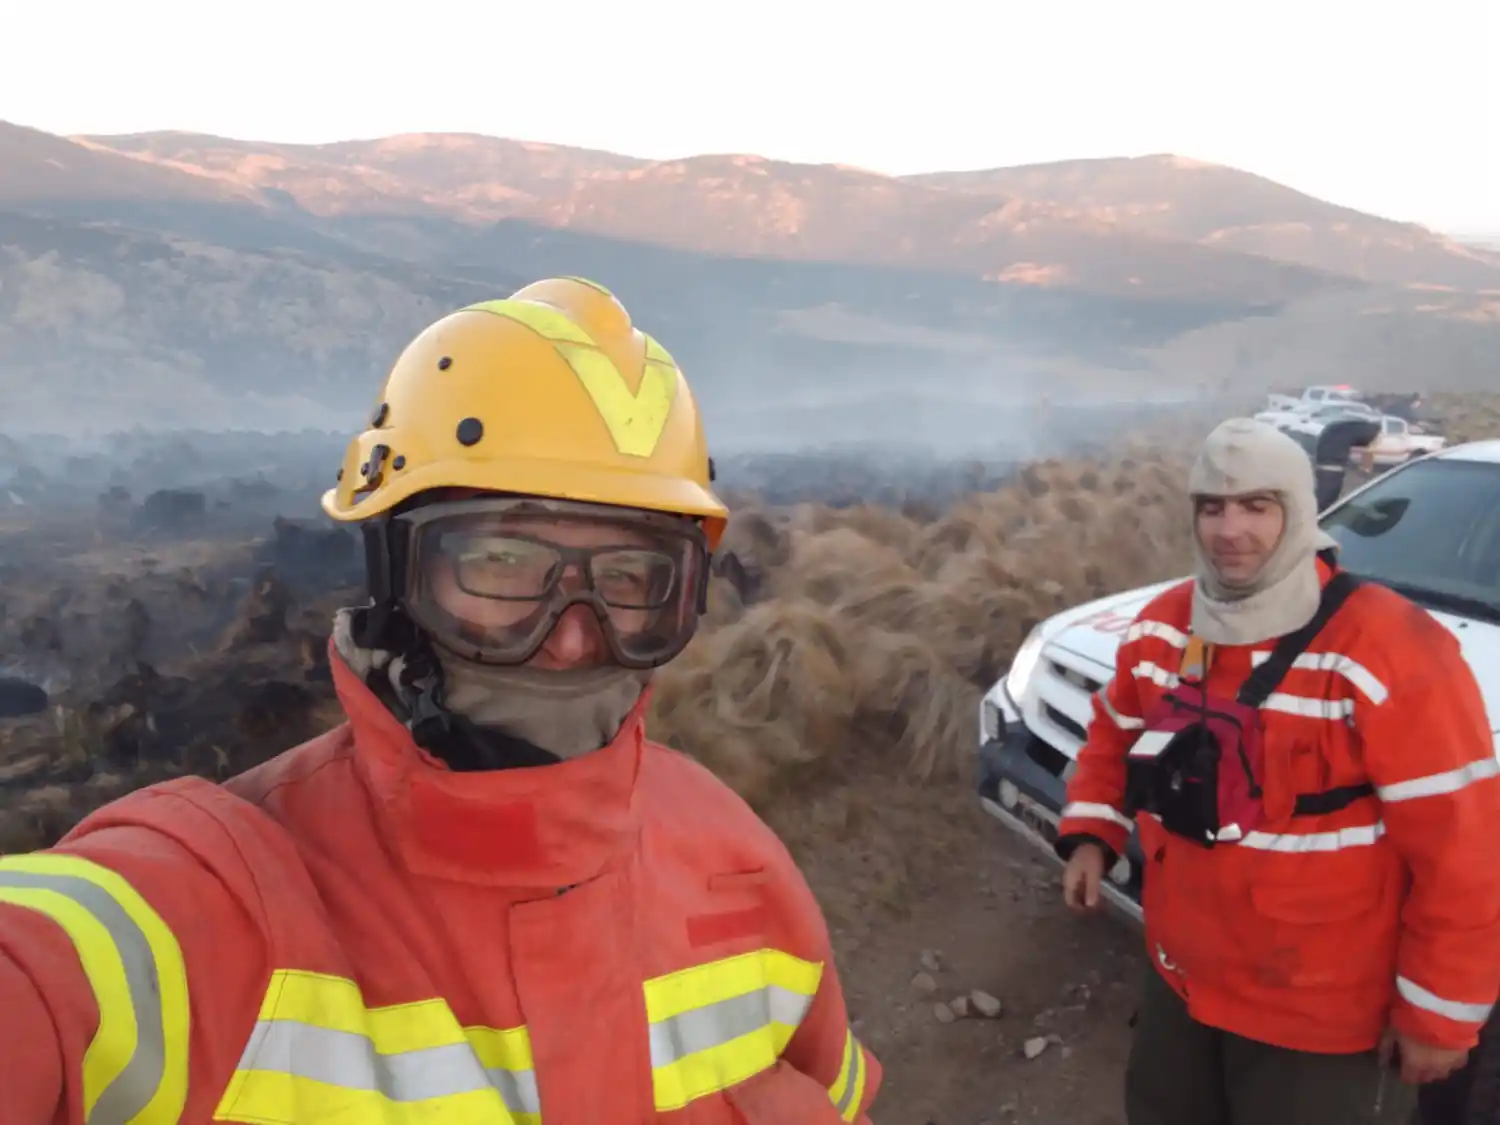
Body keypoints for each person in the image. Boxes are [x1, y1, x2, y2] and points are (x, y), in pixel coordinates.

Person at [0, 277, 882, 1125]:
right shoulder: (198, 912)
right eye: (501, 565)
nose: (570, 639)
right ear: (395, 576)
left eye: (628, 578)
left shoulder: (748, 874)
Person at [1054, 417, 1500, 1125]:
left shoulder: (1391, 651)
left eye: (1257, 505)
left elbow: (1465, 852)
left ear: (1297, 510)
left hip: (1319, 1014)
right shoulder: (1165, 626)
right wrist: (1091, 831)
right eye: (1212, 506)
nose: (1230, 529)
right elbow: (1115, 729)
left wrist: (1439, 1015)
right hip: (1182, 980)